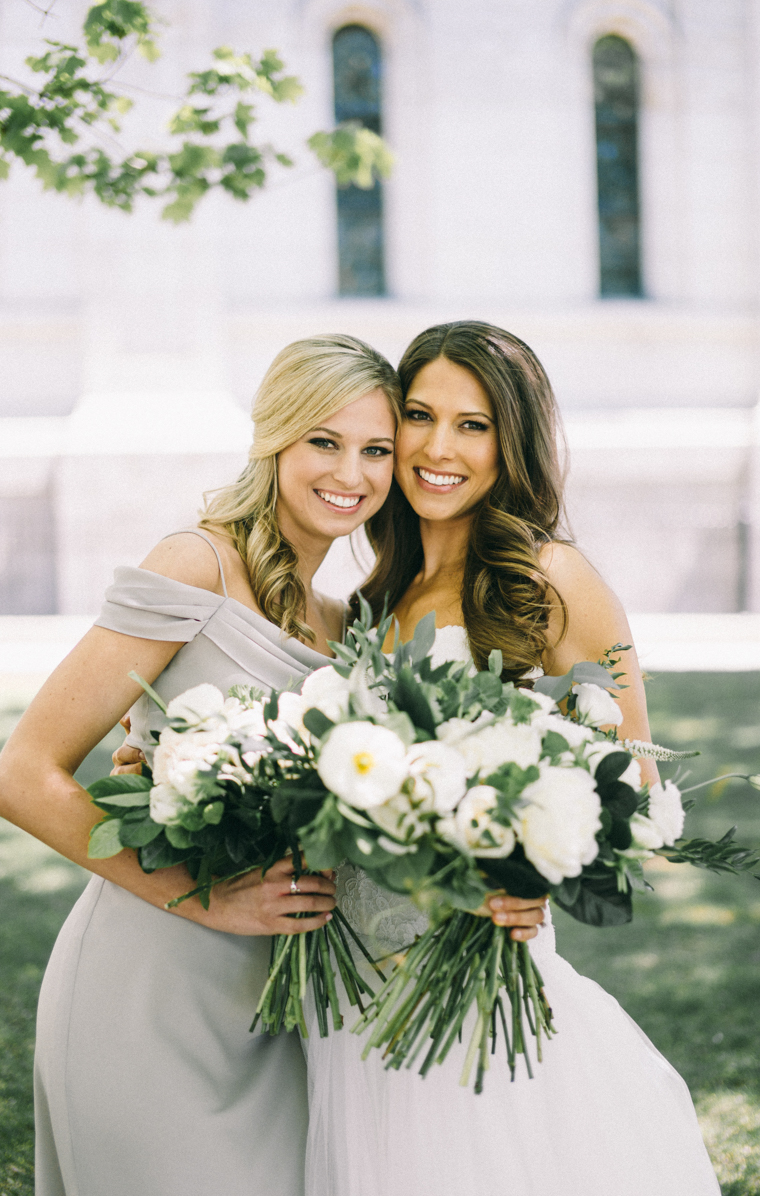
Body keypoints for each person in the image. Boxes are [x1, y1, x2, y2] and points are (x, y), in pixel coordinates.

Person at [0, 332, 543, 1196]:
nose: (351, 474)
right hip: (152, 984)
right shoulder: (196, 564)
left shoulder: (348, 623)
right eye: (324, 442)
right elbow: (22, 772)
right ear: (275, 438)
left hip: (285, 1006)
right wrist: (203, 896)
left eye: (375, 450)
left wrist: (497, 874)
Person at [301, 322, 722, 1196]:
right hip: (351, 978)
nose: (437, 448)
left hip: (480, 964)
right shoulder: (374, 598)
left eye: (474, 424)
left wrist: (535, 867)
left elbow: (634, 778)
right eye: (419, 415)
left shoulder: (552, 576)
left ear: (512, 442)